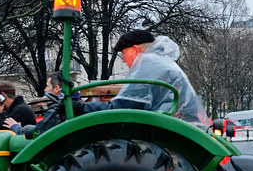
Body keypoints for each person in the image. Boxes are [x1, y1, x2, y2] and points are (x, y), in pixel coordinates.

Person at [78, 29, 209, 126]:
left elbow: (121, 108)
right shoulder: (161, 61)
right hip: (176, 123)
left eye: (124, 53)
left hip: (168, 127)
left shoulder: (148, 63)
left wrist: (83, 108)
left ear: (135, 49)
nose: (124, 60)